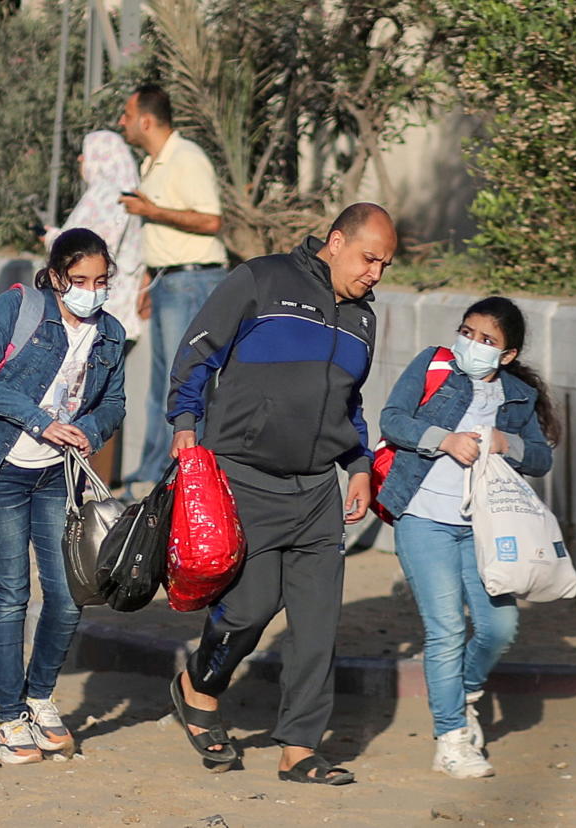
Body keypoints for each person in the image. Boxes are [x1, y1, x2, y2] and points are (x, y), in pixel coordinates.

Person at [166, 203, 395, 785]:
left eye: (385, 265)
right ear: (336, 241)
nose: (375, 273)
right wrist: (185, 421)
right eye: (369, 259)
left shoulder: (364, 319)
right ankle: (200, 686)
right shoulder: (261, 279)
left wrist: (360, 465)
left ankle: (299, 748)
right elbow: (198, 350)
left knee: (317, 625)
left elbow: (348, 404)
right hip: (243, 476)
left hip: (318, 488)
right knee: (248, 609)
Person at [0, 228, 127, 764]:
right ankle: (8, 719)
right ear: (56, 277)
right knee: (9, 594)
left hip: (60, 477)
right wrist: (40, 422)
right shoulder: (18, 308)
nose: (91, 292)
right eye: (79, 281)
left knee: (70, 593)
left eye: (101, 282)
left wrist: (90, 430)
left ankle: (39, 697)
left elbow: (115, 402)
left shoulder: (112, 334)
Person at [377, 296, 558, 779]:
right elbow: (392, 420)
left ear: (507, 355)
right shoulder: (434, 365)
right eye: (468, 332)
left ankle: (462, 690)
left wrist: (507, 443)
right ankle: (452, 739)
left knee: (500, 628)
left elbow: (542, 459)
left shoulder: (516, 395)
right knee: (446, 630)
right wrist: (443, 438)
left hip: (485, 528)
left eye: (487, 341)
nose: (472, 345)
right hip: (422, 516)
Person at [118, 83, 227, 488]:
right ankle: (154, 471)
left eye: (126, 115)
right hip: (167, 281)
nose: (122, 123)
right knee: (160, 384)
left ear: (146, 119)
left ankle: (178, 475)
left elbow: (211, 220)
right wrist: (147, 280)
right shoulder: (152, 163)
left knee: (184, 383)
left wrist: (151, 210)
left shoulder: (187, 158)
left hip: (193, 279)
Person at [43, 130, 144, 344]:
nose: (81, 159)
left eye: (86, 153)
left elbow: (81, 247)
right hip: (120, 303)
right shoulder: (130, 194)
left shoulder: (104, 194)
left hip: (93, 305)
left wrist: (50, 237)